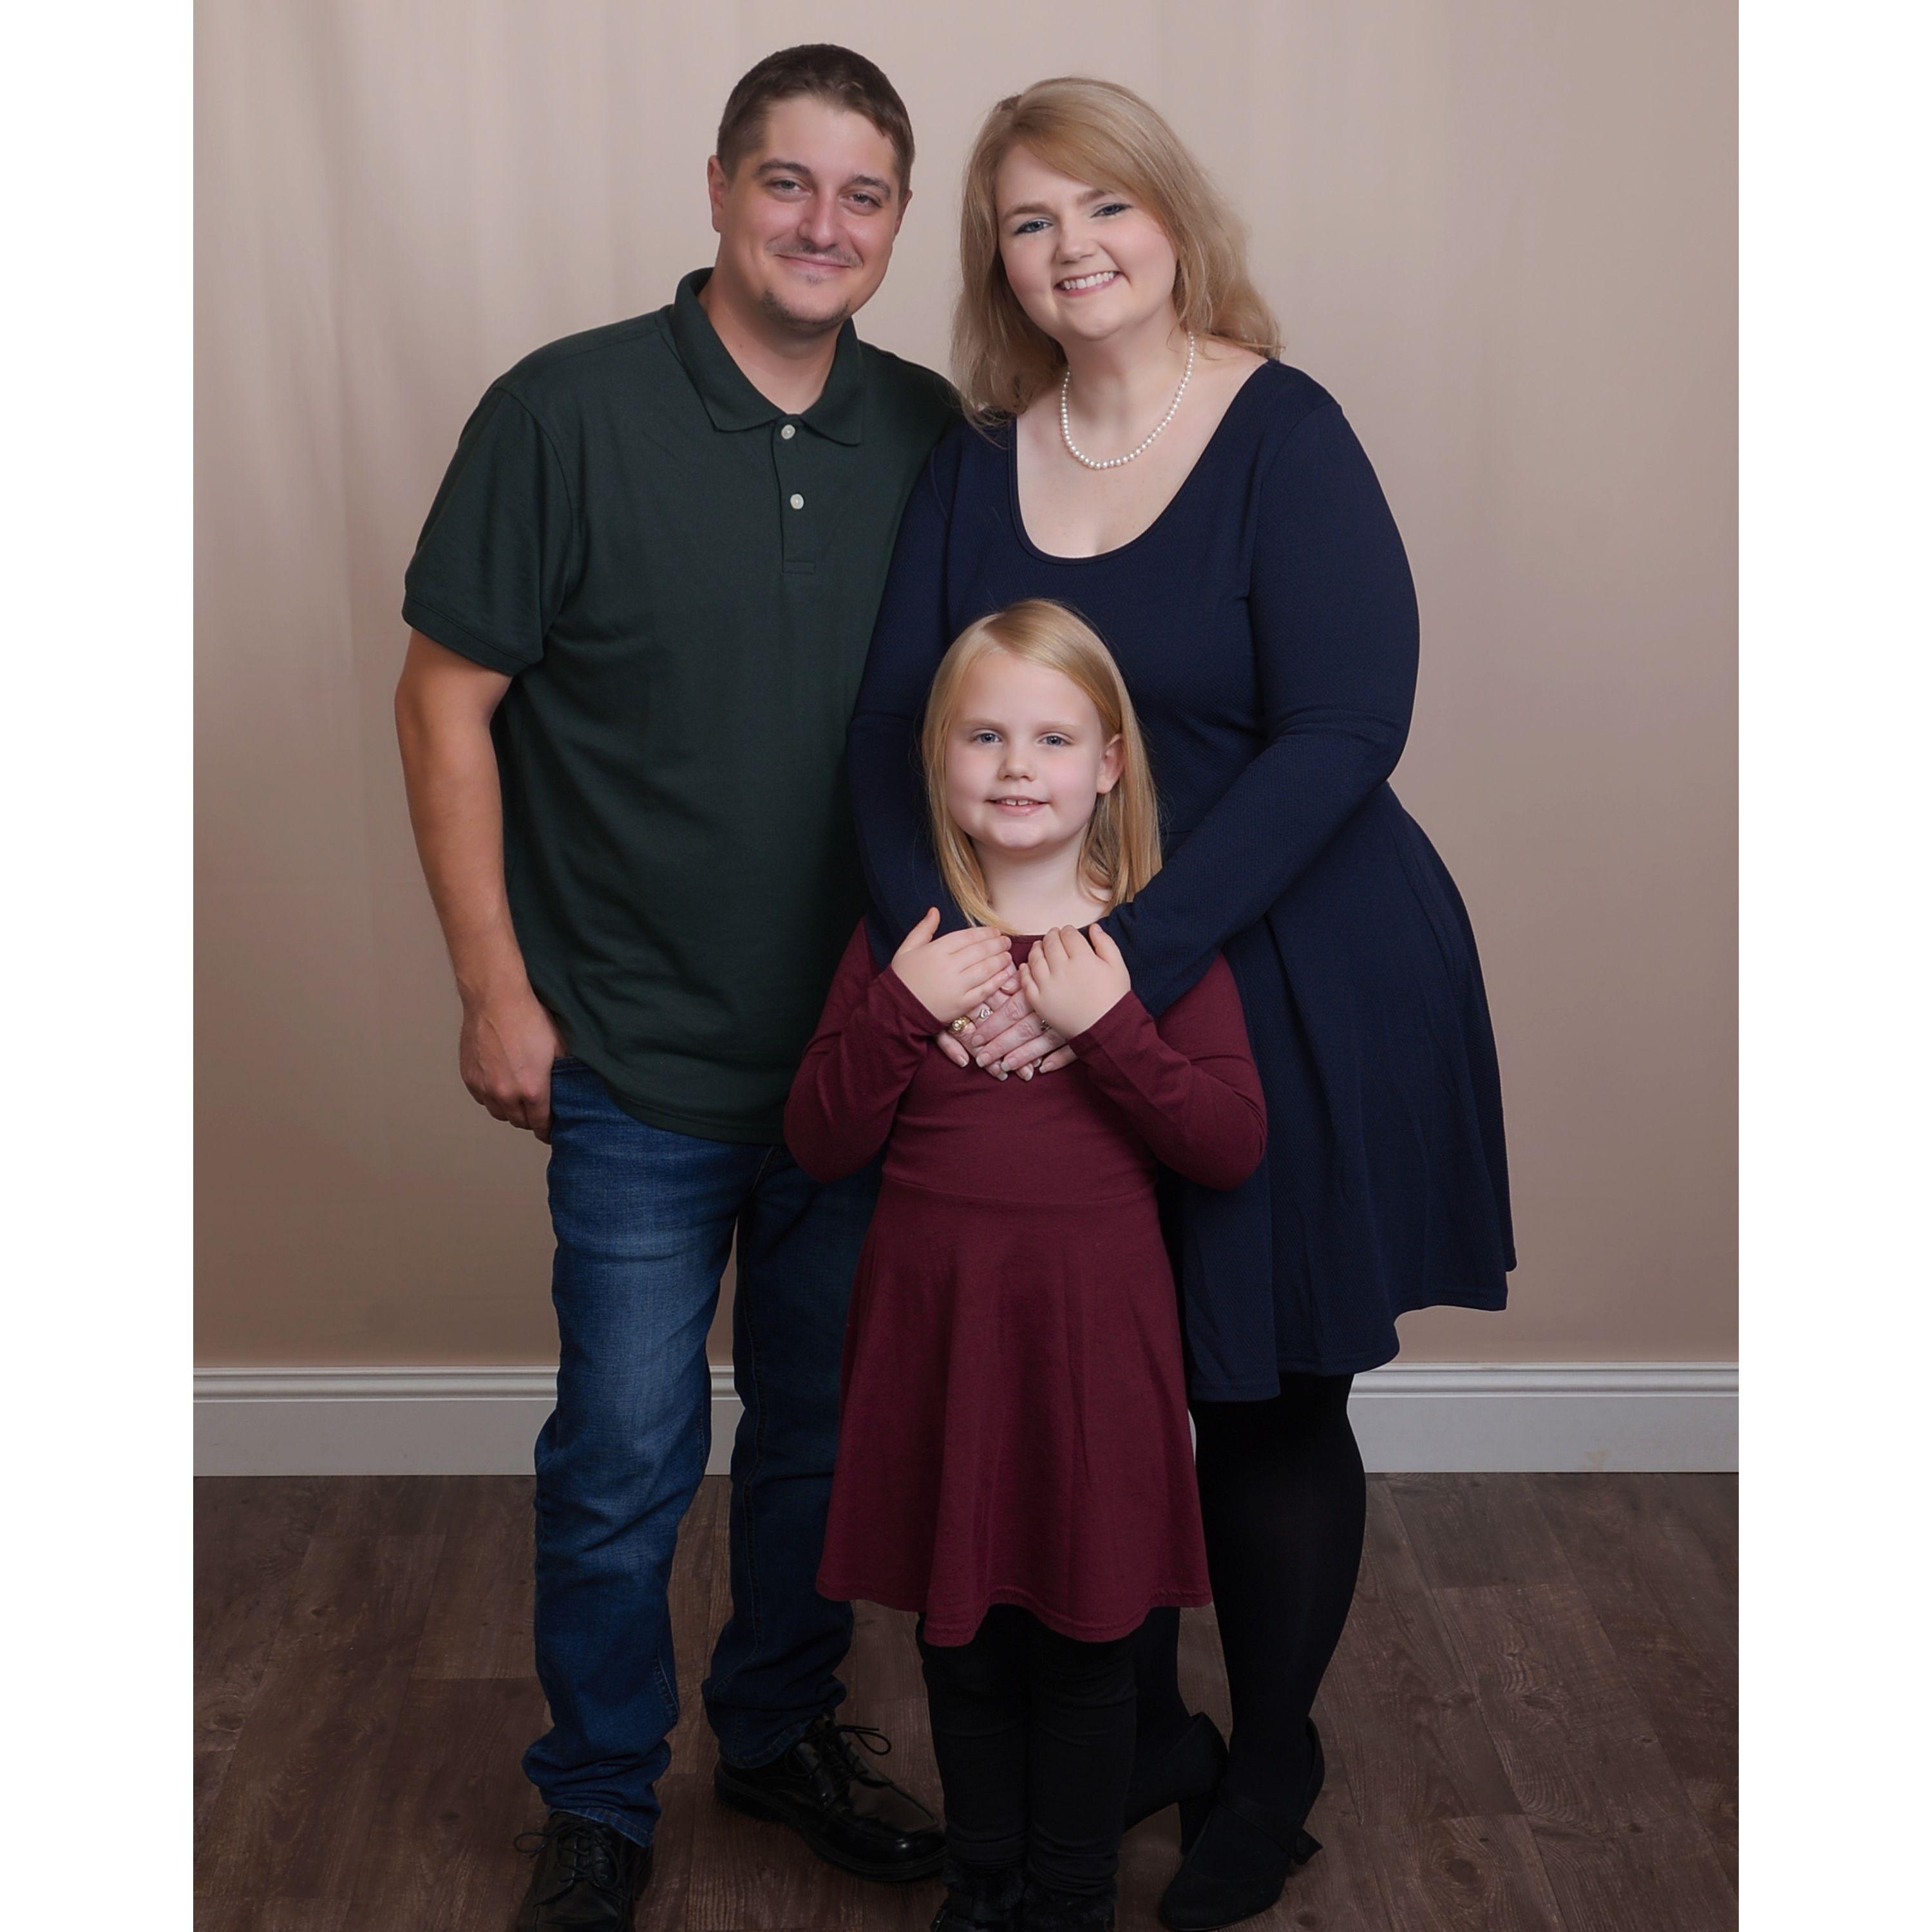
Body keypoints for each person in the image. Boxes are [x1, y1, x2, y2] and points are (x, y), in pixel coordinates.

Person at [848, 79, 1517, 1932]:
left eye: (1104, 208)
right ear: (997, 261)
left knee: (1267, 1389)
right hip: (1037, 990)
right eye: (1029, 222)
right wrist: (955, 970)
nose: (1073, 249)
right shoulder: (974, 466)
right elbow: (886, 739)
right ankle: (1132, 1734)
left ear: (1173, 221)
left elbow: (1347, 730)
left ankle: (1271, 1763)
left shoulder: (1283, 431)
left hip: (1286, 966)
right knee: (1105, 1384)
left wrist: (1121, 967)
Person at [393, 44, 962, 1931]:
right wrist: (494, 985)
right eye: (787, 182)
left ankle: (782, 1733)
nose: (822, 224)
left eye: (863, 194)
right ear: (719, 189)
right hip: (632, 1053)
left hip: (862, 1056)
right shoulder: (563, 411)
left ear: (899, 220)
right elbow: (444, 700)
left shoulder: (929, 433)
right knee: (625, 1457)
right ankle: (598, 1797)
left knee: (821, 1438)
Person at [786, 600, 1266, 1932]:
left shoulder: (1146, 951)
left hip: (1090, 1355)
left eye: (1052, 739)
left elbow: (1229, 1143)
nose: (1015, 766)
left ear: (1108, 765)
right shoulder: (904, 947)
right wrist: (903, 1011)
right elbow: (819, 1140)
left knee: (1091, 1646)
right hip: (935, 1351)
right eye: (983, 735)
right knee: (962, 1644)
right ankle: (982, 1883)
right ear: (937, 758)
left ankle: (1069, 1896)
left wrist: (1108, 1027)